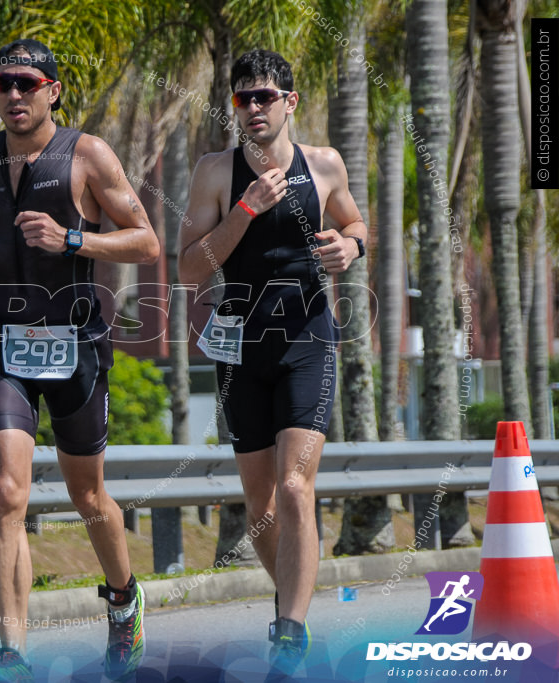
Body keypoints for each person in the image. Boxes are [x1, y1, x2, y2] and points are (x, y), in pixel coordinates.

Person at [0, 38, 159, 683]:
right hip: (3, 340)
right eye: (3, 84)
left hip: (77, 343)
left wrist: (72, 239)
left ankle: (123, 599)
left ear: (52, 90)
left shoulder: (86, 156)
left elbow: (145, 241)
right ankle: (12, 654)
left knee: (89, 495)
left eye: (26, 84)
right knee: (8, 492)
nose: (13, 95)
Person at [177, 49, 368, 674]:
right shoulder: (215, 172)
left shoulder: (324, 165)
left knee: (294, 486)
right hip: (241, 345)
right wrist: (247, 209)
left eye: (265, 97)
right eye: (242, 98)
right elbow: (188, 267)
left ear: (291, 102)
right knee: (258, 504)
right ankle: (291, 601)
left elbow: (355, 222)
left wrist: (351, 245)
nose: (253, 108)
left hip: (308, 337)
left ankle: (289, 628)